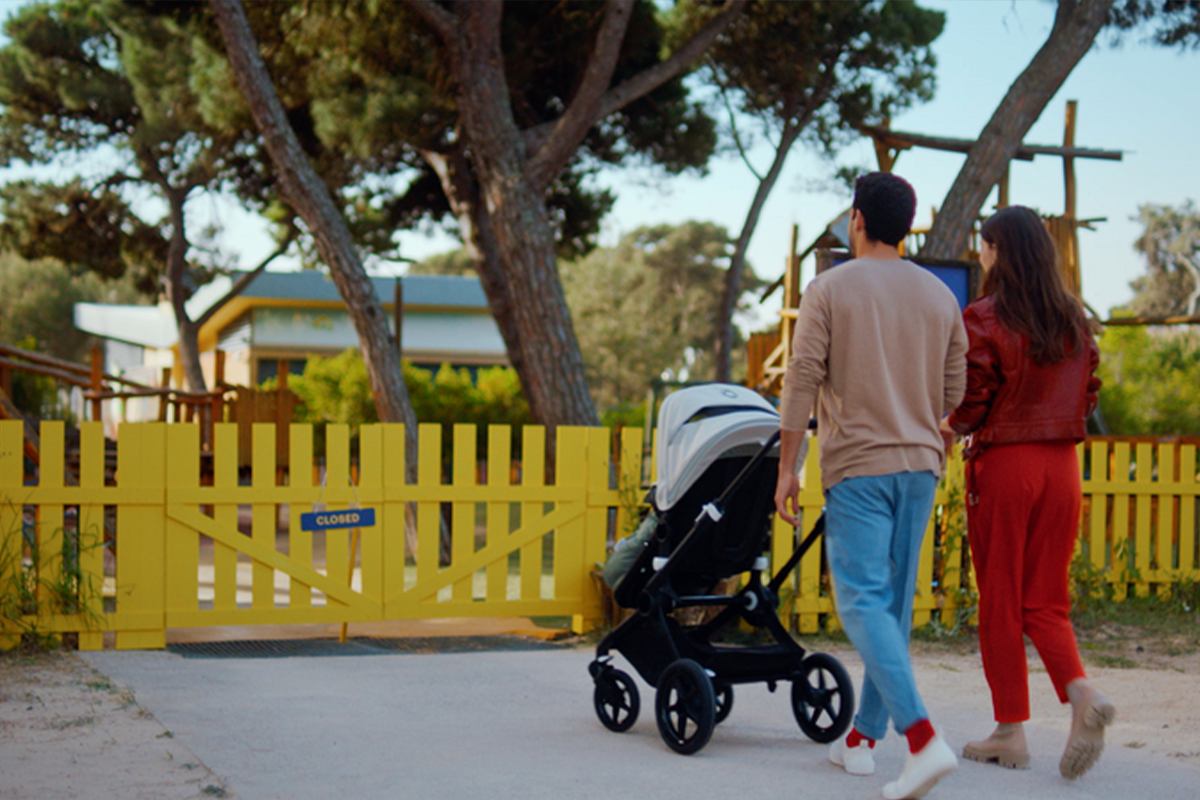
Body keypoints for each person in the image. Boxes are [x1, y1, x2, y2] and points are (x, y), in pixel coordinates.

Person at [775, 172, 967, 800]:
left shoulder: (829, 288)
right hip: (919, 468)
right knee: (892, 609)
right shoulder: (940, 296)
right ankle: (861, 740)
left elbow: (801, 380)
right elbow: (955, 390)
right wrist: (929, 432)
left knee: (861, 602)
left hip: (858, 466)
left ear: (857, 219)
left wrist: (787, 467)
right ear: (907, 225)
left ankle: (921, 740)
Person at [940, 205, 1114, 779]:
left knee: (1000, 598)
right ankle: (1080, 692)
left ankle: (1010, 730)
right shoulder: (1072, 319)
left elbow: (975, 395)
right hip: (1063, 465)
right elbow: (1088, 392)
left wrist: (949, 429)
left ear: (997, 250)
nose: (981, 255)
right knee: (1045, 598)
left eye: (984, 246)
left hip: (1007, 467)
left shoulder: (984, 315)